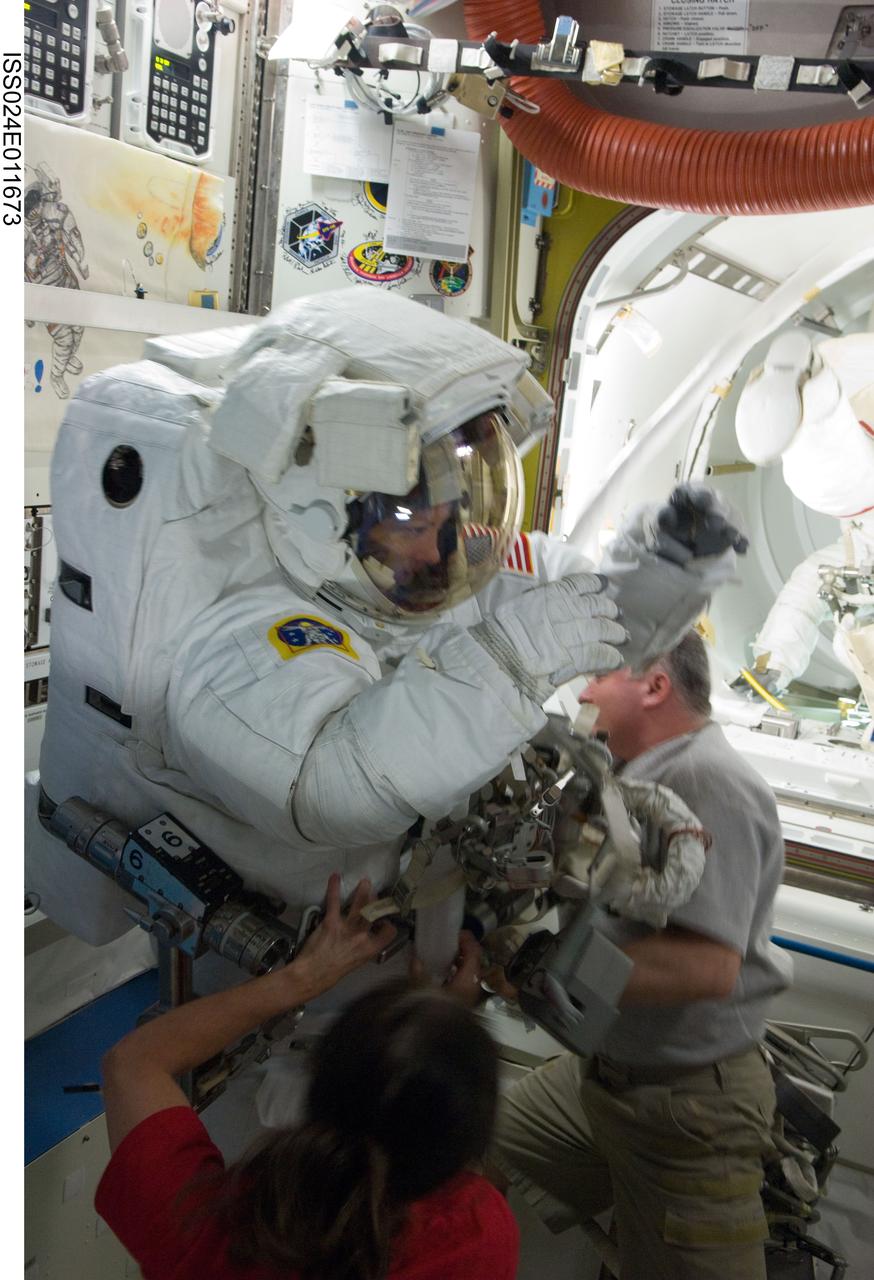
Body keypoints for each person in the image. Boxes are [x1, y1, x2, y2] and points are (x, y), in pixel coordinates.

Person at [36, 289, 747, 968]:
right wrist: (517, 656)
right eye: (419, 521)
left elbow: (562, 597)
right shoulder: (241, 639)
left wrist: (667, 573)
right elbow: (336, 781)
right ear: (329, 518)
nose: (448, 544)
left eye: (452, 511)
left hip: (400, 917)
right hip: (298, 967)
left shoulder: (404, 576)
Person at [488, 629, 792, 1280]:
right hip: (605, 1078)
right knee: (465, 1130)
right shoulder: (626, 772)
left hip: (690, 1109)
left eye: (598, 674)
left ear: (655, 687)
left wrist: (537, 972)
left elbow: (708, 967)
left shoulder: (704, 780)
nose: (584, 689)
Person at [95, 872, 517, 1280]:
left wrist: (302, 977)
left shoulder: (212, 1240)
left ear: (315, 1084)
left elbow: (133, 1064)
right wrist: (447, 1031)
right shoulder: (482, 1239)